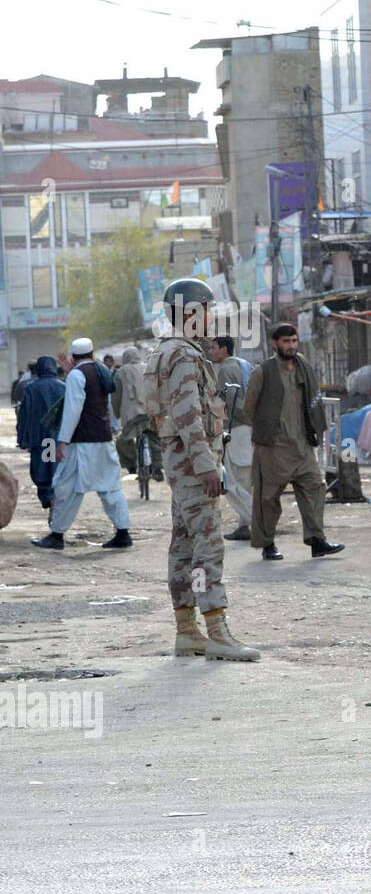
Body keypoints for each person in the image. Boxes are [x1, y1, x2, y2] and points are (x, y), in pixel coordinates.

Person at [146, 277, 258, 661]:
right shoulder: (185, 355)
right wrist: (207, 466)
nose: (211, 316)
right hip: (194, 465)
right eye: (208, 309)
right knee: (207, 544)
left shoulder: (166, 350)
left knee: (183, 544)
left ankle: (187, 630)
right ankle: (216, 631)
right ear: (192, 312)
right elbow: (189, 416)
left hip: (180, 462)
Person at [243, 323, 344, 561]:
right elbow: (248, 407)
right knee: (267, 498)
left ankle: (317, 540)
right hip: (273, 447)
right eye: (286, 342)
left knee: (315, 488)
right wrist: (266, 430)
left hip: (302, 444)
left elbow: (313, 399)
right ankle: (267, 544)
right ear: (275, 344)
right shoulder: (263, 371)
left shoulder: (304, 366)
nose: (291, 346)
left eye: (294, 341)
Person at [31, 338, 132, 551]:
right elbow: (107, 404)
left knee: (65, 488)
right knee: (111, 487)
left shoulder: (78, 375)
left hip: (82, 443)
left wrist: (62, 441)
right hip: (104, 439)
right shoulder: (101, 370)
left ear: (74, 357)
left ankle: (57, 535)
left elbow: (72, 410)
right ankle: (123, 532)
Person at [208, 336, 254, 541]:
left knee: (232, 479)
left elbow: (229, 402)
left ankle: (257, 518)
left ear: (224, 349)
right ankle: (245, 524)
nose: (211, 352)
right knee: (244, 479)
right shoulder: (244, 365)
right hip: (247, 427)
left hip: (236, 428)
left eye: (214, 348)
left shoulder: (225, 370)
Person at [16, 356, 64, 513]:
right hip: (59, 437)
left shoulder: (31, 388)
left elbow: (24, 416)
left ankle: (48, 497)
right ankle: (57, 497)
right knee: (58, 468)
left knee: (41, 469)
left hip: (40, 437)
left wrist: (22, 438)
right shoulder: (63, 387)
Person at [112, 347, 162, 480]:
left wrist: (117, 414)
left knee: (123, 441)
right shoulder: (148, 368)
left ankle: (132, 466)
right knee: (155, 439)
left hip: (133, 415)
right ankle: (158, 466)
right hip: (151, 412)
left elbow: (116, 396)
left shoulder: (120, 372)